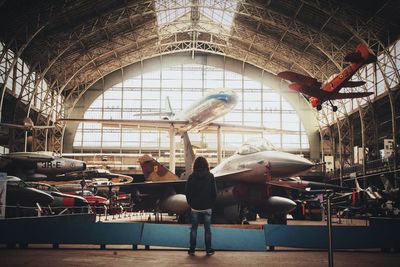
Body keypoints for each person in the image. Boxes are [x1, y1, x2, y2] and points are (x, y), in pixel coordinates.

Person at [185, 156, 217, 256]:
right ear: (206, 165)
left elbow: (187, 193)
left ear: (195, 165)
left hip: (195, 208)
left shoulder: (191, 177)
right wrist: (211, 204)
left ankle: (192, 249)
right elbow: (214, 192)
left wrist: (191, 204)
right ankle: (208, 249)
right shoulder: (210, 176)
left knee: (194, 229)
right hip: (207, 207)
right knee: (207, 229)